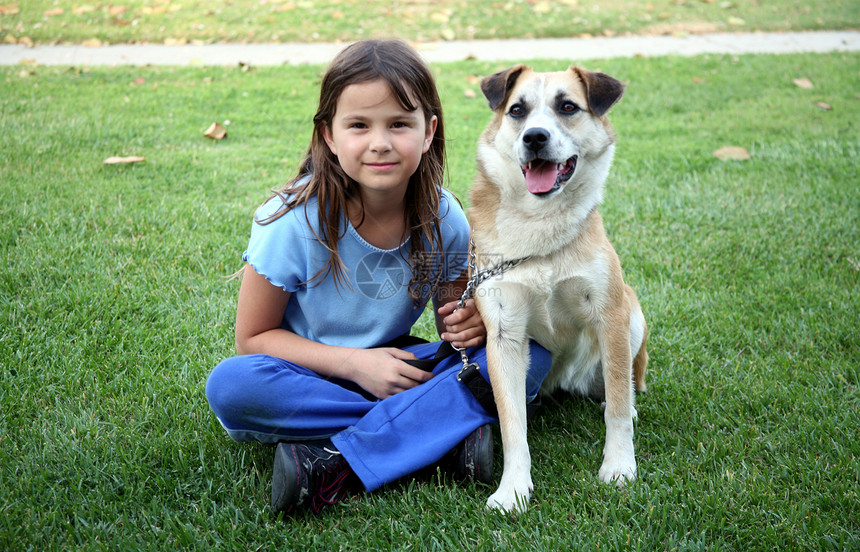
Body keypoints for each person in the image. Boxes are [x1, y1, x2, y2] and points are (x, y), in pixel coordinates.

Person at [205, 39, 552, 516]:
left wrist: (471, 321)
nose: (380, 142)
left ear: (428, 131)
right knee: (232, 385)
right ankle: (444, 436)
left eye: (399, 124)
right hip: (312, 375)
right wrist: (354, 365)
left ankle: (333, 460)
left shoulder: (442, 219)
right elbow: (254, 339)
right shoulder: (291, 223)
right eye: (359, 126)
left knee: (528, 354)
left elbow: (455, 328)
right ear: (329, 134)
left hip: (402, 367)